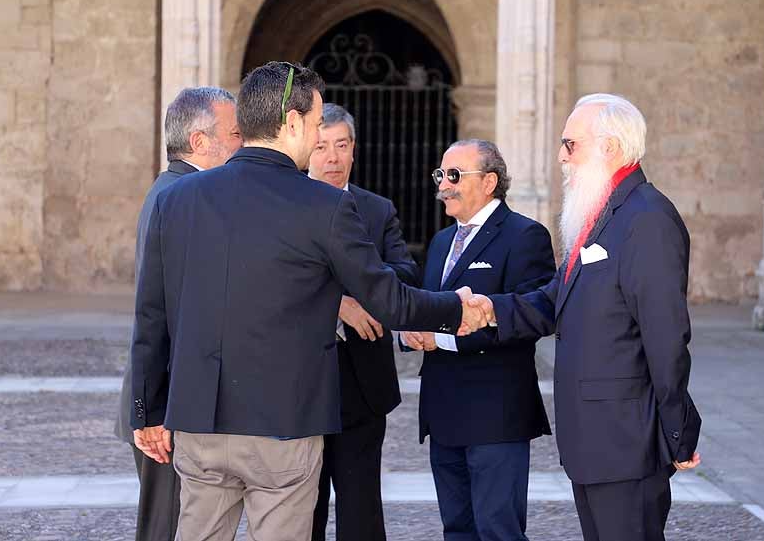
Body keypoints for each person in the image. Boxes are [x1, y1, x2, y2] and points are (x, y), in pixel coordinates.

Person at [130, 61, 489, 541]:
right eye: (318, 124)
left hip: (199, 425)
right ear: (293, 123)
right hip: (284, 426)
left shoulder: (176, 199)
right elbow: (389, 300)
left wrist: (147, 411)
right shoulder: (325, 206)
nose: (320, 136)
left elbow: (152, 316)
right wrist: (458, 308)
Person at [463, 94, 702, 541]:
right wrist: (490, 310)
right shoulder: (602, 214)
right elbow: (559, 298)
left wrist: (677, 434)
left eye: (570, 144)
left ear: (609, 147)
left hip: (626, 442)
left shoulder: (646, 219)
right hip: (594, 441)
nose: (560, 156)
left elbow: (667, 338)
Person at [400, 139, 555, 541]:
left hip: (495, 416)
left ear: (489, 181)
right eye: (441, 175)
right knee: (457, 530)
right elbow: (427, 308)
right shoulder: (439, 243)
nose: (443, 185)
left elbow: (532, 315)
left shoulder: (525, 236)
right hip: (444, 414)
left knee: (498, 530)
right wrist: (410, 332)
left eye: (454, 175)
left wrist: (443, 340)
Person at [114, 86, 241, 541]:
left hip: (165, 402)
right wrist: (153, 411)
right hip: (166, 408)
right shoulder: (182, 197)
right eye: (235, 132)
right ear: (200, 141)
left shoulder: (176, 191)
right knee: (164, 527)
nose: (242, 143)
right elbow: (158, 314)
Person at [308, 104, 417, 541]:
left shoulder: (377, 210)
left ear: (354, 150)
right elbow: (267, 281)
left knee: (361, 509)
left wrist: (368, 296)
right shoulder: (283, 206)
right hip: (299, 382)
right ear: (305, 150)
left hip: (363, 385)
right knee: (301, 510)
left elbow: (405, 273)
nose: (332, 158)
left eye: (341, 146)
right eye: (321, 147)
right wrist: (338, 302)